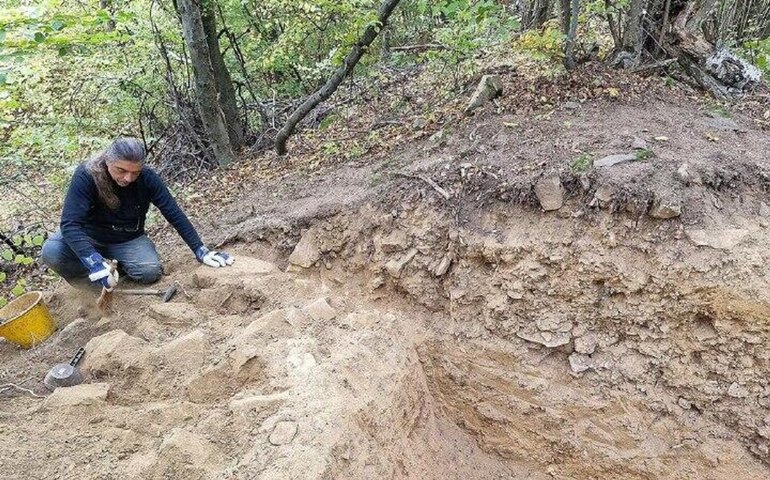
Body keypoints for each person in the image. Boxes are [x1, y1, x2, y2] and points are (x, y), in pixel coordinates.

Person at [41, 137, 234, 292]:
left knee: (149, 272)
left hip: (127, 239)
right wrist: (94, 262)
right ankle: (94, 286)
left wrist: (200, 249)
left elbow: (172, 212)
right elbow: (70, 224)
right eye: (121, 170)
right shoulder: (87, 175)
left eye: (135, 172)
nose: (128, 178)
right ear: (108, 161)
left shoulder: (147, 178)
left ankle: (118, 273)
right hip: (89, 238)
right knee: (52, 252)